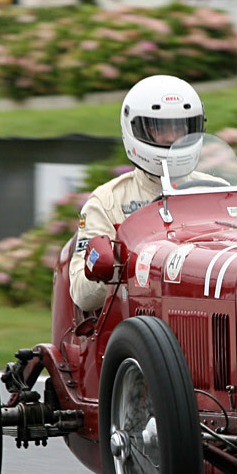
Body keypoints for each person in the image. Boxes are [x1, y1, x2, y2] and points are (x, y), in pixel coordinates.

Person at [70, 74, 205, 312]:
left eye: (180, 127)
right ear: (136, 129)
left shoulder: (217, 190)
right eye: (159, 128)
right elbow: (82, 292)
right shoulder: (107, 201)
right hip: (134, 324)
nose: (172, 137)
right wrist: (117, 268)